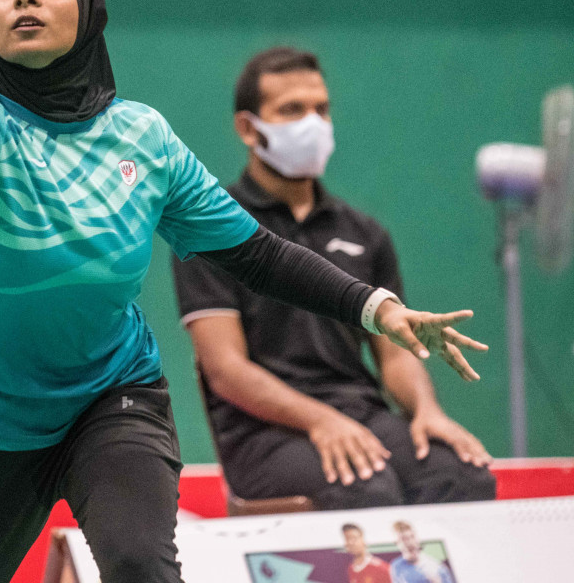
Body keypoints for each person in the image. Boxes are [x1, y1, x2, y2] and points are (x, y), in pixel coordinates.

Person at [0, 0, 486, 583]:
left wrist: (375, 307)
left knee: (140, 561)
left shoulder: (142, 138)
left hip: (108, 396)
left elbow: (256, 254)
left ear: (89, 8)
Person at [173, 47, 496, 510]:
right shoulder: (213, 227)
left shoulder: (366, 234)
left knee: (463, 477)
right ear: (248, 128)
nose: (312, 123)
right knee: (366, 489)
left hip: (364, 414)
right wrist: (319, 420)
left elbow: (396, 355)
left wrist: (427, 411)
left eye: (320, 109)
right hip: (266, 434)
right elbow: (225, 371)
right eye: (291, 110)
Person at [388, 521, 455, 583]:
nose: (409, 542)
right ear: (397, 543)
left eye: (412, 537)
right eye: (403, 539)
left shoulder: (438, 569)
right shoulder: (396, 567)